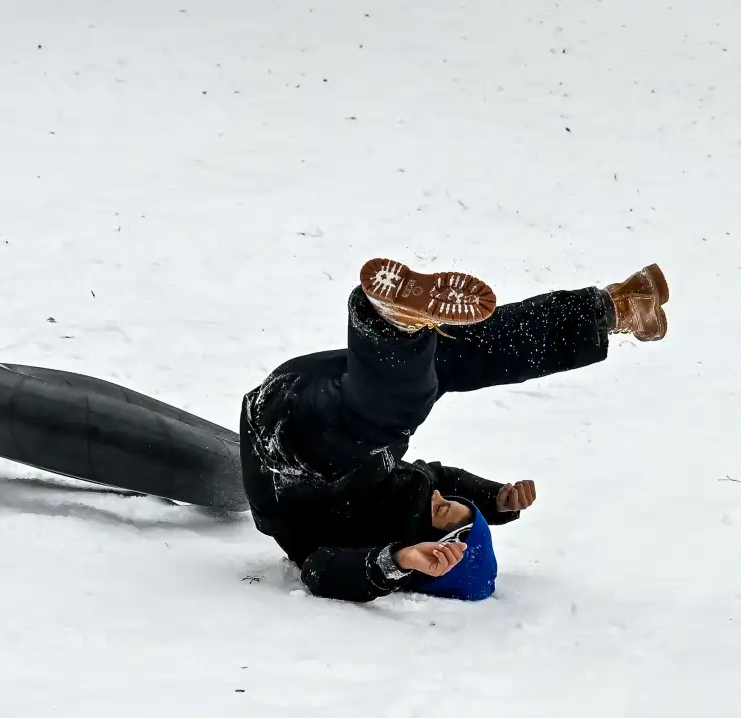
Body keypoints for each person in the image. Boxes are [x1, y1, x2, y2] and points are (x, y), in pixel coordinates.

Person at [239, 258, 669, 602]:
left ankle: (393, 326)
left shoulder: (370, 542)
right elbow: (438, 478)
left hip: (294, 454)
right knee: (450, 356)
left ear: (431, 545)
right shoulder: (417, 497)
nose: (440, 495)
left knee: (390, 412)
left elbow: (320, 570)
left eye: (443, 510)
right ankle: (614, 308)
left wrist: (398, 561)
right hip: (327, 393)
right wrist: (495, 500)